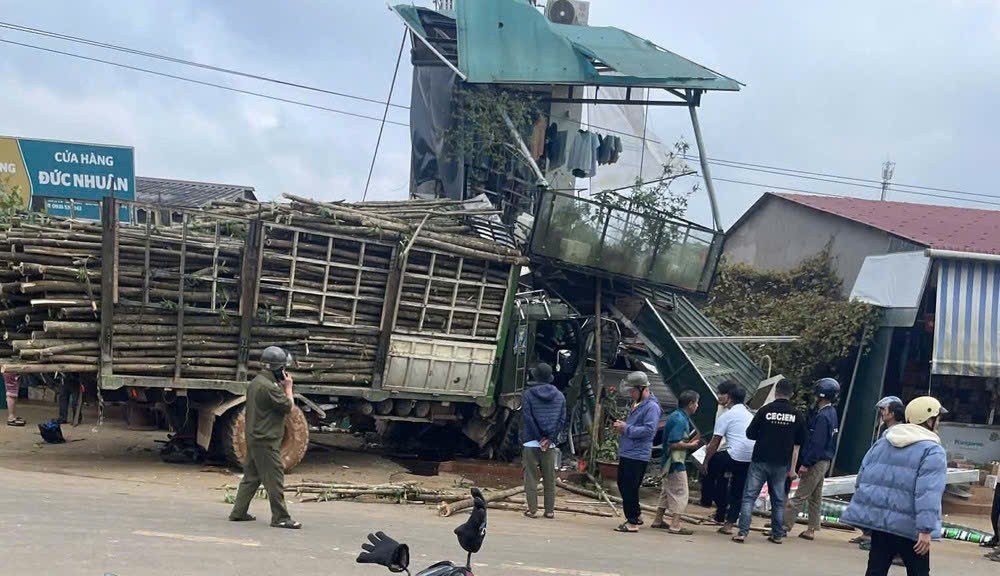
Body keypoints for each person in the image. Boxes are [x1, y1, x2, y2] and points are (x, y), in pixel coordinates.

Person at [842, 396, 948, 576]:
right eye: (937, 418)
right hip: (910, 528)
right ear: (928, 420)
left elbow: (863, 479)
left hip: (882, 523)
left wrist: (867, 518)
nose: (938, 423)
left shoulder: (884, 441)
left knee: (875, 570)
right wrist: (925, 529)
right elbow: (928, 492)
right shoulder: (932, 450)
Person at [229, 346, 301, 529]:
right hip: (266, 440)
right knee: (274, 478)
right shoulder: (270, 388)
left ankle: (238, 512)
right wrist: (289, 388)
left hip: (255, 437)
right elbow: (289, 408)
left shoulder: (256, 382)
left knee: (251, 476)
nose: (285, 372)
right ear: (277, 368)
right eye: (284, 369)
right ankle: (281, 517)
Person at [733, 378, 806, 544]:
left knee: (749, 497)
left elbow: (750, 433)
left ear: (775, 391)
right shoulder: (796, 415)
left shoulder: (765, 411)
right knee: (778, 500)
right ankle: (777, 534)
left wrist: (765, 434)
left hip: (760, 459)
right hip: (781, 463)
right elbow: (800, 441)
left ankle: (742, 533)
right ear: (792, 394)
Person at [784, 378, 840, 541]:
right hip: (824, 461)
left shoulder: (822, 417)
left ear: (820, 396)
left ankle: (783, 525)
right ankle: (812, 528)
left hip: (816, 461)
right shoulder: (832, 413)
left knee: (800, 495)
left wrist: (806, 463)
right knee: (815, 496)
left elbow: (817, 442)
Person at [852, 396, 905, 550]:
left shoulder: (897, 433)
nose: (881, 413)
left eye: (884, 410)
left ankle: (876, 540)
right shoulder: (883, 428)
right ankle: (869, 535)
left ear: (893, 413)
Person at [612, 371, 661, 533]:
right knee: (623, 484)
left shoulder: (651, 407)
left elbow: (649, 431)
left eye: (633, 391)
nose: (631, 394)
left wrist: (626, 428)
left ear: (642, 389)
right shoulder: (638, 405)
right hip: (628, 451)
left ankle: (632, 521)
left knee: (630, 487)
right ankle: (636, 515)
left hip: (638, 453)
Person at [704, 383, 755, 535]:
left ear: (729, 398)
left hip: (733, 455)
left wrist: (706, 462)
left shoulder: (727, 415)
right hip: (749, 458)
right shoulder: (749, 415)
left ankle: (708, 502)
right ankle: (729, 524)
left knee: (711, 471)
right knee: (738, 491)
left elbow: (715, 442)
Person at [520, 363, 567, 519]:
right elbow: (561, 420)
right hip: (550, 445)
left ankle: (532, 510)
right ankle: (549, 511)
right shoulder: (560, 396)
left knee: (531, 477)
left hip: (531, 442)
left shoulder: (528, 394)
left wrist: (539, 438)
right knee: (549, 477)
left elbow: (528, 418)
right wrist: (550, 439)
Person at [652, 390, 701, 535]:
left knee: (667, 491)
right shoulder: (680, 419)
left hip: (668, 460)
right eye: (696, 403)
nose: (697, 406)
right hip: (675, 462)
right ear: (691, 404)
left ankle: (658, 519)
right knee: (681, 492)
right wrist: (690, 446)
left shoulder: (677, 415)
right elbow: (674, 443)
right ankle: (675, 524)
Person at [700, 381, 736, 508]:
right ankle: (713, 504)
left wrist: (709, 454)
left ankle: (716, 506)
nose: (719, 396)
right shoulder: (720, 407)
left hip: (727, 451)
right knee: (717, 479)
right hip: (718, 447)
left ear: (730, 396)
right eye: (718, 393)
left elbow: (720, 437)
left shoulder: (733, 411)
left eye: (722, 394)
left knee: (717, 478)